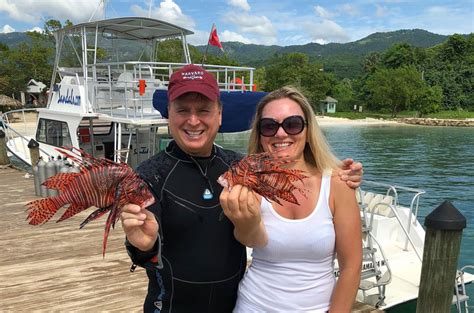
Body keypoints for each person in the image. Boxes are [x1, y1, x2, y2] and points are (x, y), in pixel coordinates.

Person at [120, 65, 363, 313]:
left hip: (233, 304)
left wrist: (340, 172)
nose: (193, 120)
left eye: (204, 110)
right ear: (168, 114)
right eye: (182, 110)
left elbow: (296, 177)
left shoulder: (240, 168)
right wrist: (144, 246)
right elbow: (144, 241)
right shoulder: (149, 175)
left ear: (219, 115)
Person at [220, 86, 363, 312]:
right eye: (269, 126)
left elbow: (351, 266)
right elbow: (250, 239)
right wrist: (244, 221)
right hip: (253, 305)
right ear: (260, 135)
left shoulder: (337, 182)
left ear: (308, 132)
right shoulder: (250, 182)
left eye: (292, 124)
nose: (280, 134)